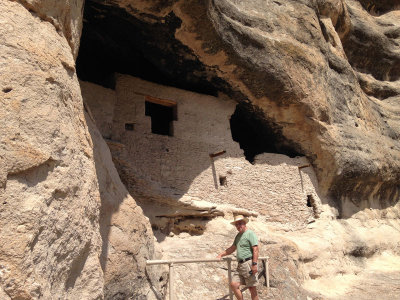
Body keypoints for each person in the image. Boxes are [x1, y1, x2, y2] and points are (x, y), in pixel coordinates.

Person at [217, 215, 259, 300]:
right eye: (237, 225)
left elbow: (256, 249)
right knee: (234, 284)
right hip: (240, 265)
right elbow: (232, 248)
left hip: (248, 264)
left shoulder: (250, 233)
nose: (238, 226)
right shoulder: (238, 235)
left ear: (244, 224)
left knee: (252, 288)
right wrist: (221, 254)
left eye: (240, 224)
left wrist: (254, 264)